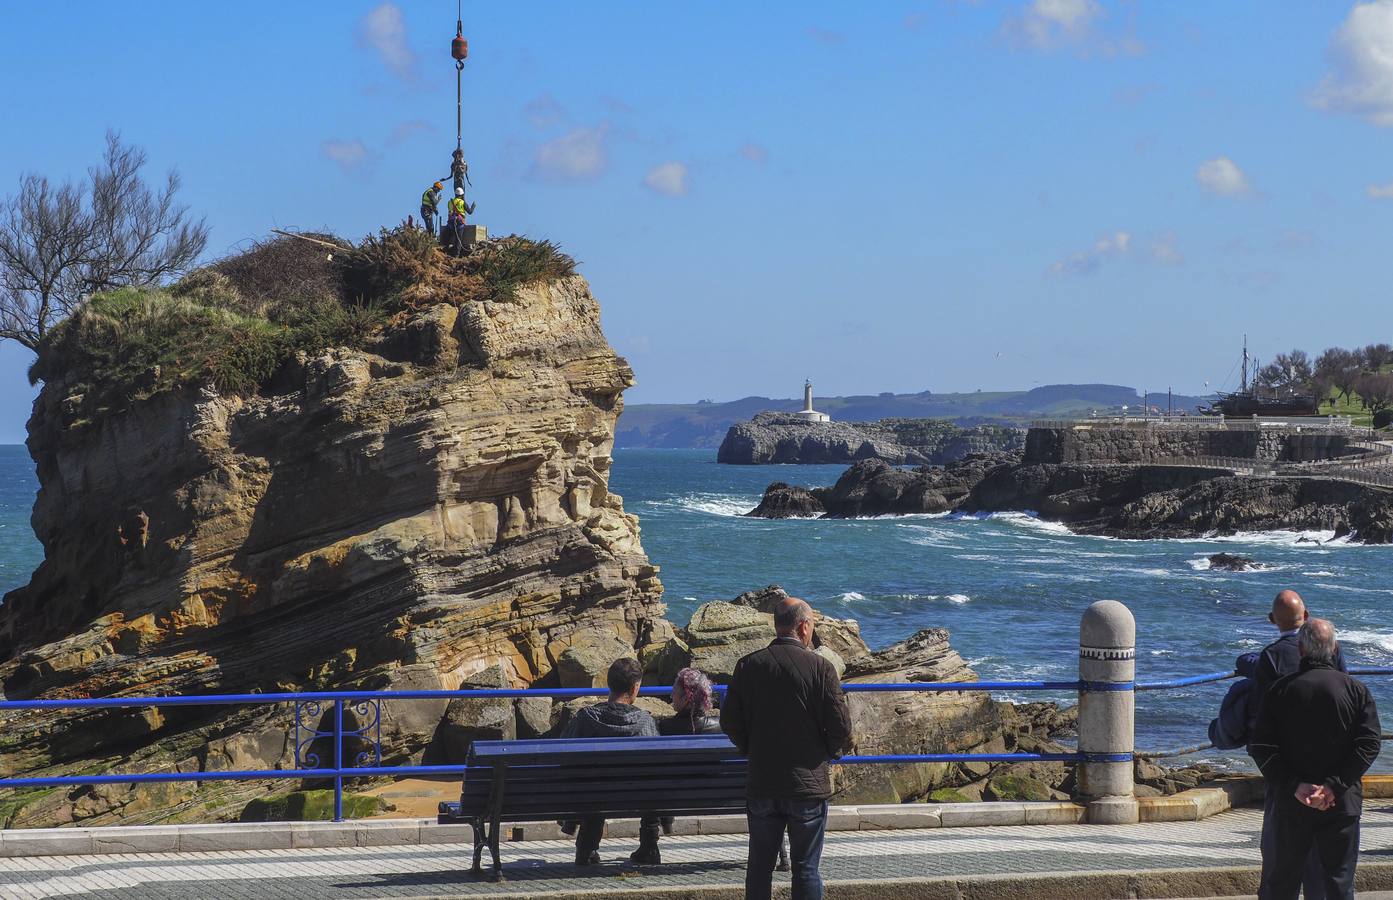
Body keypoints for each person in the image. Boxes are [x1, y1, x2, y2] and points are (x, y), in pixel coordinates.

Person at [721, 597, 853, 900]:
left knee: (759, 867)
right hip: (807, 784)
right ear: (803, 626)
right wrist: (827, 752)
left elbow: (730, 721)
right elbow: (840, 728)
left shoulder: (749, 665)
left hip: (763, 780)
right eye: (812, 626)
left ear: (777, 626)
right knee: (806, 868)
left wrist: (750, 747)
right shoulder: (821, 668)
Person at [1250, 619, 1380, 899]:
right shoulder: (1357, 691)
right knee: (1338, 882)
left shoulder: (1279, 691)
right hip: (1341, 803)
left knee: (1282, 882)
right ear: (1335, 649)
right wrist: (1334, 785)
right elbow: (1368, 744)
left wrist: (1295, 785)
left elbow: (1261, 746)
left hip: (1290, 802)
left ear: (1301, 650)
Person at [1240, 589, 1350, 899]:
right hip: (1330, 768)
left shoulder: (1271, 657)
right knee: (1324, 865)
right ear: (1307, 613)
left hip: (1289, 770)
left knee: (1280, 859)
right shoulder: (1336, 657)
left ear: (1273, 619)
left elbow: (1260, 724)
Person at [560, 657, 662, 867]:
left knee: (592, 782)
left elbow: (563, 756)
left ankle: (587, 848)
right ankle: (649, 847)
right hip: (639, 798)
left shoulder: (586, 719)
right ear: (635, 688)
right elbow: (658, 766)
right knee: (654, 783)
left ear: (609, 684)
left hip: (594, 796)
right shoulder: (646, 723)